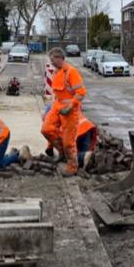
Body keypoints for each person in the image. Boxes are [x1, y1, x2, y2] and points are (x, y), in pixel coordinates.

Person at [41, 47, 87, 177]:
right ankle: (62, 152)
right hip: (57, 106)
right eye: (51, 61)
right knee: (46, 129)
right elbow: (57, 94)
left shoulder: (71, 72)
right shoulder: (56, 73)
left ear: (60, 58)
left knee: (69, 142)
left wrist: (71, 106)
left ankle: (72, 167)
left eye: (53, 60)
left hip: (70, 111)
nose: (52, 63)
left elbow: (81, 92)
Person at [42, 105, 98, 171]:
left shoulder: (51, 118)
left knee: (68, 157)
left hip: (75, 131)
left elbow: (50, 135)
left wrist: (50, 149)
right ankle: (88, 157)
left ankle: (84, 157)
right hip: (87, 127)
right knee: (84, 156)